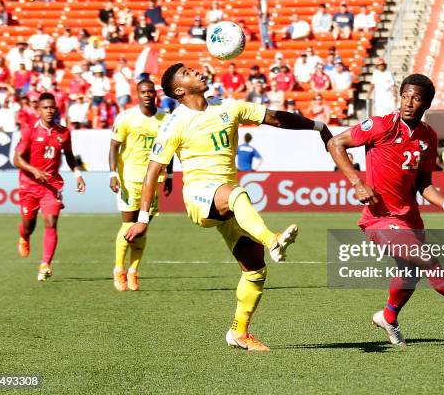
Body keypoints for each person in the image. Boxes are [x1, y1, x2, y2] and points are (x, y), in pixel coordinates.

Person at [124, 63, 332, 351]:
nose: (196, 71)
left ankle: (239, 332)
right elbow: (152, 172)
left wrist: (318, 126)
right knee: (236, 193)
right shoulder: (174, 124)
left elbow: (275, 118)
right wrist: (143, 219)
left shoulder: (228, 107)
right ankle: (272, 239)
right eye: (187, 73)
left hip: (227, 202)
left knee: (255, 270)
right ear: (180, 90)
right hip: (199, 197)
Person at [327, 73, 444, 346]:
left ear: (427, 103)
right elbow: (335, 143)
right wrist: (357, 183)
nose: (408, 102)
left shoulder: (428, 136)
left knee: (410, 272)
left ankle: (388, 316)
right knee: (427, 260)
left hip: (409, 217)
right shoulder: (381, 125)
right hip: (380, 218)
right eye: (405, 96)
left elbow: (424, 185)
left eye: (416, 98)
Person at [13, 92, 86, 281]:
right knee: (29, 225)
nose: (49, 111)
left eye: (52, 107)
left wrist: (77, 174)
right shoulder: (29, 131)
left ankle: (45, 264)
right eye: (45, 108)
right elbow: (16, 159)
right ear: (38, 110)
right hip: (29, 185)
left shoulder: (63, 133)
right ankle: (24, 236)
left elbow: (69, 156)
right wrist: (33, 170)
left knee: (51, 222)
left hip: (51, 185)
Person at [109, 80, 173, 292]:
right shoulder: (126, 118)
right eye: (143, 92)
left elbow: (169, 149)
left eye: (150, 91)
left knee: (143, 228)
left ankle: (133, 271)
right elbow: (113, 147)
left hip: (153, 180)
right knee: (128, 226)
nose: (147, 95)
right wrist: (113, 174)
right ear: (137, 94)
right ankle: (119, 269)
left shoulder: (166, 119)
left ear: (155, 94)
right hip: (129, 179)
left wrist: (170, 176)